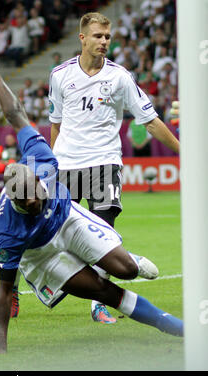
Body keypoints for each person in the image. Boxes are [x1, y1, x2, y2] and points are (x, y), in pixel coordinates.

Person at [0, 45, 183, 354]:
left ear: (38, 179)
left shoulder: (42, 159)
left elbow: (15, 114)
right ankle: (181, 329)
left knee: (125, 269)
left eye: (38, 195)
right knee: (105, 291)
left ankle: (130, 260)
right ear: (18, 204)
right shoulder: (9, 231)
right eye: (30, 204)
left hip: (68, 219)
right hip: (40, 253)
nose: (36, 202)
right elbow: (3, 290)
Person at [49, 12, 180, 324]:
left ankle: (98, 303)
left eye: (107, 37)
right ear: (82, 38)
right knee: (50, 232)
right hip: (67, 164)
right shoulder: (59, 76)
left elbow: (150, 121)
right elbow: (56, 123)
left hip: (105, 164)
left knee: (103, 233)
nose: (104, 42)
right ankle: (18, 284)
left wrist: (183, 153)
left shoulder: (120, 77)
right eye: (97, 36)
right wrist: (52, 163)